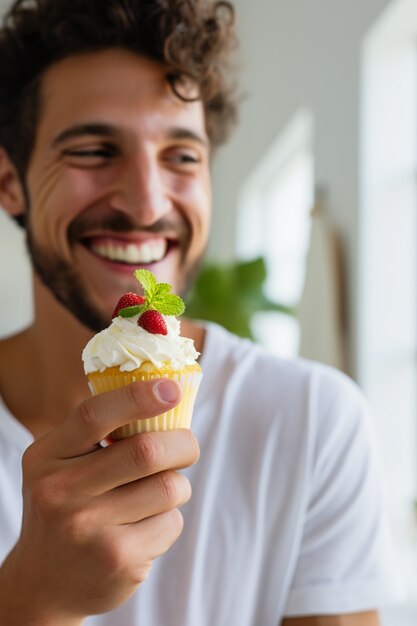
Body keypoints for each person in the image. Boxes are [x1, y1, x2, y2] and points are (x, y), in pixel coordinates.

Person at [0, 1, 403, 624]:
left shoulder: (315, 423)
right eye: (94, 150)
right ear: (9, 182)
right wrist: (29, 602)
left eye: (182, 157)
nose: (145, 201)